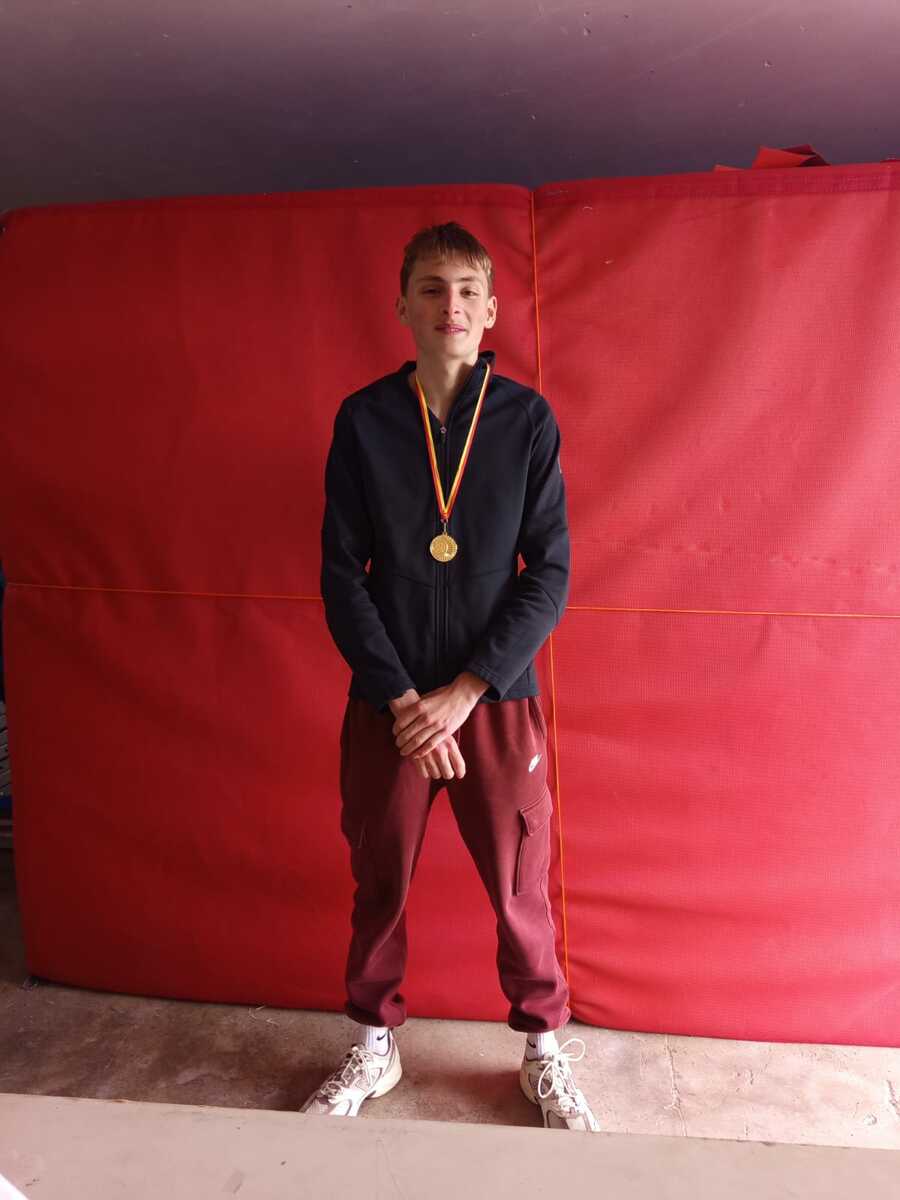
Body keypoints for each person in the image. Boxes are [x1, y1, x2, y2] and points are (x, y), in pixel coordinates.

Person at [302, 222, 598, 1131]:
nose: (450, 306)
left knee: (519, 885)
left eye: (468, 290)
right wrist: (403, 700)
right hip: (388, 702)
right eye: (431, 288)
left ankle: (542, 1051)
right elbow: (340, 574)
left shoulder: (526, 421)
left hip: (494, 699)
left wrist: (465, 691)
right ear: (402, 305)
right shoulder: (364, 420)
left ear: (493, 309)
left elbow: (550, 572)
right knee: (380, 878)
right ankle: (375, 1043)